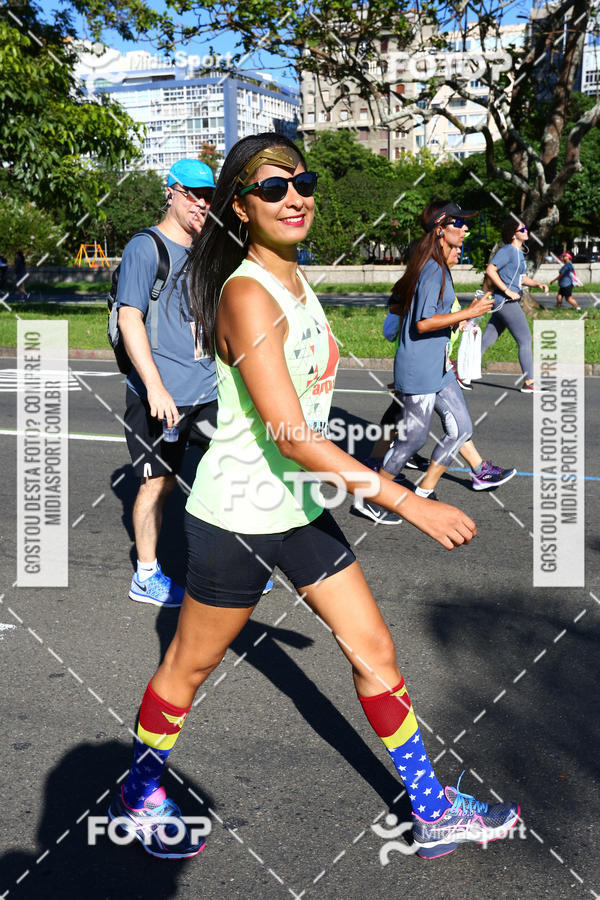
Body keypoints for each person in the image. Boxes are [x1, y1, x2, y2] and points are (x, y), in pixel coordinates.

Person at [108, 136, 519, 861]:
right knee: (187, 670)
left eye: (303, 181)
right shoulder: (243, 290)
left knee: (376, 653)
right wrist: (408, 500)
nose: (294, 196)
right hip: (236, 517)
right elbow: (292, 434)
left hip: (295, 508)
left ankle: (431, 811)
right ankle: (138, 792)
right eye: (272, 188)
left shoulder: (294, 279)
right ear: (240, 205)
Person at [117, 158, 267, 609]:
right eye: (194, 194)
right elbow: (130, 318)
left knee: (229, 471)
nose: (203, 203)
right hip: (161, 397)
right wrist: (156, 387)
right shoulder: (146, 248)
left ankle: (232, 569)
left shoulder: (206, 249)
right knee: (157, 484)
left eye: (208, 196)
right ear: (172, 192)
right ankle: (146, 576)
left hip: (209, 392)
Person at [353, 201, 516, 522]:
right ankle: (370, 499)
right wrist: (468, 313)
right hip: (420, 370)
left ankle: (423, 493)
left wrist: (459, 322)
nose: (466, 229)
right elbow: (422, 323)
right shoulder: (432, 270)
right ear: (441, 230)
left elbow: (429, 317)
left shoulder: (438, 267)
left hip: (438, 368)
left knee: (462, 429)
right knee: (413, 438)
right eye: (460, 223)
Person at [481, 218, 549, 393]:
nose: (526, 230)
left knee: (487, 339)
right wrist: (507, 290)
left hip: (503, 301)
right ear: (513, 234)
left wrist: (537, 284)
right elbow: (490, 269)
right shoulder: (508, 250)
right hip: (506, 301)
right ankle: (529, 382)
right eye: (522, 229)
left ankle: (462, 372)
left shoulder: (518, 253)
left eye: (526, 228)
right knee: (525, 339)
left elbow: (521, 278)